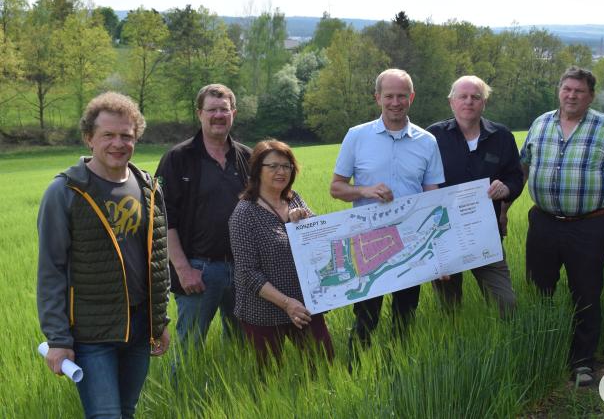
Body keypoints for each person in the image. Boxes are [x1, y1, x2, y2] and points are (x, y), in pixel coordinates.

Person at [37, 92, 170, 418]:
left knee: (126, 411)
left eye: (127, 135)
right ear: (89, 139)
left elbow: (157, 260)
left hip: (139, 328)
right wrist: (57, 338)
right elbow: (51, 269)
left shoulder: (148, 187)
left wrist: (159, 320)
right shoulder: (66, 191)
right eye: (108, 135)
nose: (118, 143)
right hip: (92, 334)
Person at [519, 67, 604, 387]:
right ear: (559, 90)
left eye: (579, 91)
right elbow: (522, 166)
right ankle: (542, 351)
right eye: (567, 89)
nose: (571, 95)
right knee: (538, 289)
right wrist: (501, 209)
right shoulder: (540, 123)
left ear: (590, 96)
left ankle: (582, 361)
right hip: (543, 223)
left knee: (586, 293)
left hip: (590, 225)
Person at [330, 68, 445, 359]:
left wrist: (439, 252)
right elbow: (336, 188)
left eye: (402, 96)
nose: (395, 102)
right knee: (365, 319)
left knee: (405, 318)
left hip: (412, 245)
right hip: (367, 245)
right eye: (389, 96)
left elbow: (433, 197)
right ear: (377, 97)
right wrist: (365, 191)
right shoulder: (357, 136)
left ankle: (398, 375)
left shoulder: (427, 141)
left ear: (412, 98)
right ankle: (357, 376)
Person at [156, 84, 251, 348]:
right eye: (212, 109)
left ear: (234, 112)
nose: (218, 115)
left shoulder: (247, 157)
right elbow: (163, 219)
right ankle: (182, 390)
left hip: (244, 269)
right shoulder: (177, 158)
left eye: (224, 109)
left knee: (243, 347)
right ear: (199, 113)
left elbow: (266, 206)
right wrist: (183, 269)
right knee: (189, 350)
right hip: (199, 271)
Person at [229, 140, 335, 364]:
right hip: (263, 311)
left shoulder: (293, 198)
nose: (281, 172)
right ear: (258, 170)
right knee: (269, 378)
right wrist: (287, 304)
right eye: (273, 166)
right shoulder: (244, 214)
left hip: (304, 305)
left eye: (286, 166)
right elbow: (248, 273)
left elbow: (320, 239)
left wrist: (305, 220)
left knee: (325, 363)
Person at [427, 75, 523, 316]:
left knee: (506, 304)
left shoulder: (501, 136)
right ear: (452, 102)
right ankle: (455, 344)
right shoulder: (432, 137)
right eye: (463, 96)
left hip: (485, 234)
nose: (469, 102)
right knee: (449, 308)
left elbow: (516, 176)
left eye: (475, 97)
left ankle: (507, 344)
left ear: (484, 103)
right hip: (443, 236)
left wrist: (507, 189)